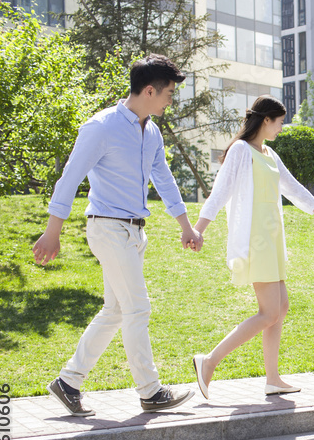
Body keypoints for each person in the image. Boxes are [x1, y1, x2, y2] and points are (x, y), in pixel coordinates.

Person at [32, 54, 203, 417]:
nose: (171, 99)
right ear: (149, 90)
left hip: (134, 231)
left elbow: (165, 179)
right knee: (138, 307)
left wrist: (185, 224)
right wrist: (52, 232)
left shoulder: (151, 130)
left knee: (115, 310)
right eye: (169, 93)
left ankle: (68, 382)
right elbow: (70, 177)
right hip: (108, 227)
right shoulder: (102, 127)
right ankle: (150, 391)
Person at [191, 95, 314, 398]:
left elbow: (294, 189)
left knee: (280, 308)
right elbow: (220, 191)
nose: (280, 128)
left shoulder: (269, 154)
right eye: (279, 122)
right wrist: (199, 228)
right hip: (255, 238)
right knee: (269, 312)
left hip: (272, 239)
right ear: (266, 120)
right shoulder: (240, 150)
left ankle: (272, 379)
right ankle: (209, 362)